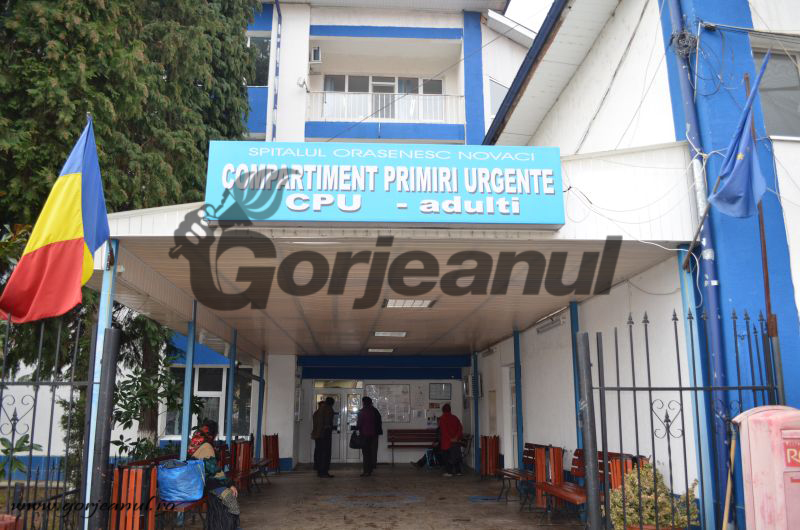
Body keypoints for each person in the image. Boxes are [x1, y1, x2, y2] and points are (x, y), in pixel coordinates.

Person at [187, 420, 240, 527]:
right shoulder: (207, 446)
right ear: (213, 434)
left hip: (197, 482)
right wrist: (230, 484)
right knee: (231, 499)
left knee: (224, 498)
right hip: (205, 484)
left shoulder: (196, 443)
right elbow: (214, 471)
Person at [355, 396, 382, 477]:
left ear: (364, 402)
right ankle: (370, 469)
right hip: (374, 435)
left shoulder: (362, 411)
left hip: (365, 435)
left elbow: (359, 424)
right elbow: (379, 422)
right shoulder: (374, 411)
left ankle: (366, 471)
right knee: (371, 452)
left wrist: (357, 429)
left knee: (366, 453)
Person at [311, 397, 335, 478]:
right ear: (331, 403)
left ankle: (319, 471)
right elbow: (327, 422)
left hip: (318, 435)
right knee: (325, 454)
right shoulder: (328, 409)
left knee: (319, 453)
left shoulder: (318, 410)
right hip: (324, 434)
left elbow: (315, 421)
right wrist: (329, 427)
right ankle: (324, 472)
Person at [437, 403, 463, 477]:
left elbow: (444, 431)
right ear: (450, 410)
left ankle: (449, 472)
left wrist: (450, 439)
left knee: (447, 457)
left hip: (447, 443)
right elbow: (460, 428)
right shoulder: (455, 418)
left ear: (443, 410)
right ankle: (458, 472)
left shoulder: (442, 419)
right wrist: (456, 437)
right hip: (455, 442)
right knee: (456, 455)